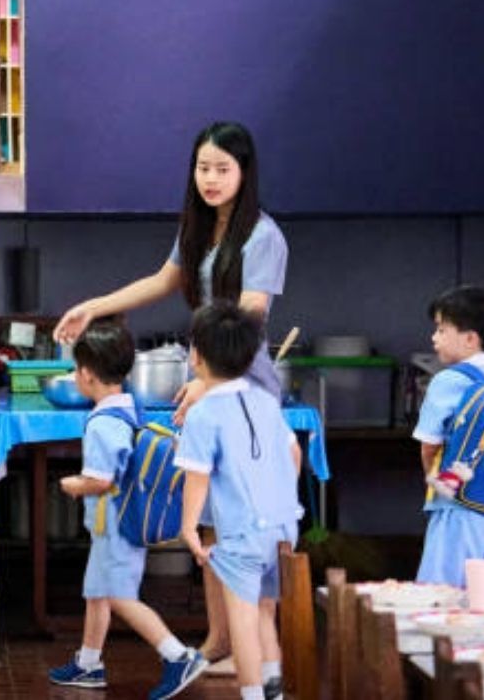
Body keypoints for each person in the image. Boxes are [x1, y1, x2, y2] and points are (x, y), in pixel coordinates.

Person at [53, 120, 288, 662]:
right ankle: (219, 641)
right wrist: (96, 305)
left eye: (222, 169)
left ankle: (253, 652)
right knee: (208, 520)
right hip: (206, 377)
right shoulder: (199, 227)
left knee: (243, 521)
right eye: (203, 168)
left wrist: (210, 381)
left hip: (240, 382)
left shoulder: (263, 235)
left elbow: (249, 319)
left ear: (244, 173)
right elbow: (163, 281)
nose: (210, 179)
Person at [49, 318, 206, 699]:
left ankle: (178, 655)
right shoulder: (127, 406)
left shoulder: (103, 422)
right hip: (118, 522)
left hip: (114, 523)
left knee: (119, 596)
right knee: (98, 592)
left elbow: (102, 479)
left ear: (86, 375)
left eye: (75, 369)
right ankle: (88, 663)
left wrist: (74, 484)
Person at [177, 302, 303, 700]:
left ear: (196, 355)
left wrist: (188, 529)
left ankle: (252, 695)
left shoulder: (202, 413)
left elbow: (196, 480)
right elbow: (294, 452)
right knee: (267, 612)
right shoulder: (266, 400)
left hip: (241, 535)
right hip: (284, 526)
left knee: (243, 621)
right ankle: (274, 692)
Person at [413, 285, 484, 587]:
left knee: (442, 597)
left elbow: (429, 447)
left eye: (442, 329)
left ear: (470, 338)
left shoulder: (448, 381)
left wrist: (437, 487)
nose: (434, 338)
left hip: (458, 507)